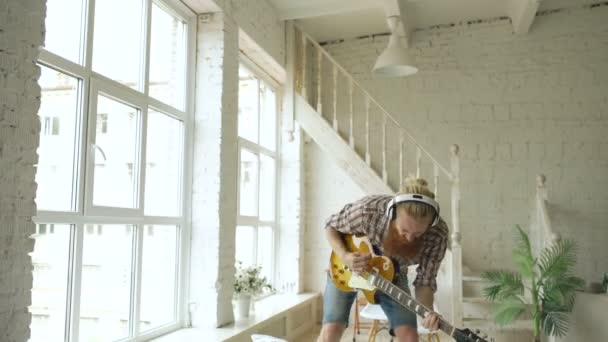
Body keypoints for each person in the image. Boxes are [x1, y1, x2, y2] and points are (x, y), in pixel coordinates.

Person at [317, 176, 449, 342]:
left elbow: (425, 281)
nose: (409, 239)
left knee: (409, 335)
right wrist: (345, 256)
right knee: (330, 331)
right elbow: (331, 227)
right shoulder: (369, 211)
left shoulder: (438, 235)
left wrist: (428, 312)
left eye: (418, 234)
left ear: (431, 224)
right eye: (404, 230)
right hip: (346, 267)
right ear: (392, 214)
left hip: (393, 274)